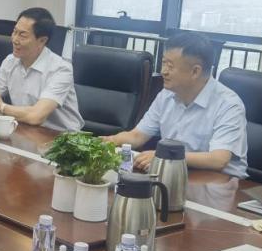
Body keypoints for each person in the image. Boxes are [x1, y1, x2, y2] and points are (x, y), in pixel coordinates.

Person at [104, 31, 248, 178]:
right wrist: (106, 142)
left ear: (195, 71)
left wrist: (166, 156)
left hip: (221, 182)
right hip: (176, 173)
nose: (163, 71)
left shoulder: (228, 104)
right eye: (163, 63)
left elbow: (218, 160)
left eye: (170, 66)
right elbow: (137, 136)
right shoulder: (166, 94)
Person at [0, 7, 83, 131]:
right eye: (14, 32)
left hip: (61, 136)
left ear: (42, 41)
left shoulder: (61, 69)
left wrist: (1, 107)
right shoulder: (10, 61)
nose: (14, 39)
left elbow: (36, 116)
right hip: (25, 129)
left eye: (22, 35)